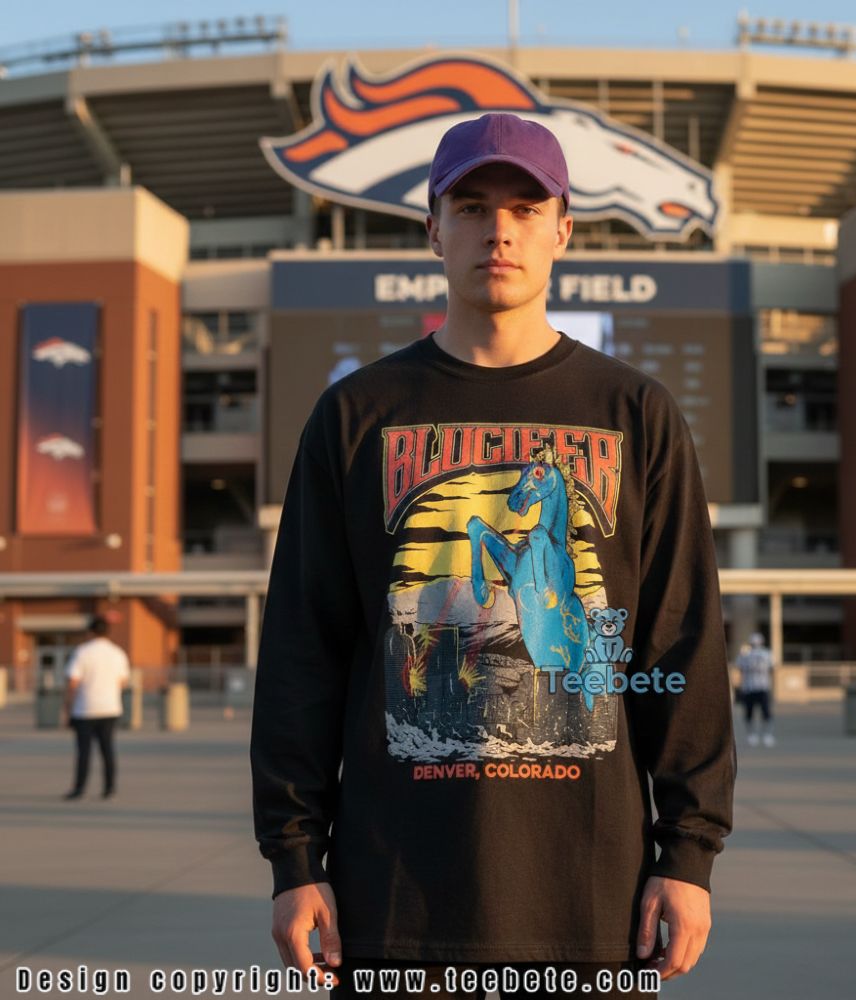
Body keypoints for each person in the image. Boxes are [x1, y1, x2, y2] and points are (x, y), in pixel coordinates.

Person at [250, 112, 736, 999]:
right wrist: (293, 856)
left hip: (593, 902)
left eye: (524, 206)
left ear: (563, 230)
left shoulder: (634, 410)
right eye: (471, 206)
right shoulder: (358, 415)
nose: (498, 229)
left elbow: (681, 646)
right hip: (392, 903)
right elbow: (301, 652)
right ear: (434, 228)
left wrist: (689, 853)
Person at [61, 614, 131, 800]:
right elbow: (123, 682)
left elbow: (73, 682)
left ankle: (79, 788)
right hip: (110, 708)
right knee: (107, 749)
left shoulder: (82, 652)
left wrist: (67, 708)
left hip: (85, 709)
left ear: (90, 632)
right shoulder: (118, 653)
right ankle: (109, 788)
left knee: (84, 751)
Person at [736, 632, 775, 746]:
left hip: (751, 687)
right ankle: (765, 735)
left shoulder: (744, 655)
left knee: (752, 713)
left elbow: (740, 670)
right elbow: (772, 670)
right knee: (763, 713)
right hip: (760, 687)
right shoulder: (766, 654)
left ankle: (754, 735)